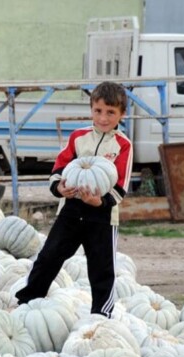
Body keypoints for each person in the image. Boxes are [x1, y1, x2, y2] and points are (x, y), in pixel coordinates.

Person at [14, 81, 133, 317]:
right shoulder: (78, 137)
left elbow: (121, 184)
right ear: (91, 109)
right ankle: (27, 302)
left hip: (102, 217)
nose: (103, 118)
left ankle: (101, 314)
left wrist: (100, 202)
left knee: (102, 268)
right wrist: (59, 187)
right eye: (98, 111)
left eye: (111, 112)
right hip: (70, 211)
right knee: (48, 257)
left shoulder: (123, 145)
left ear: (122, 114)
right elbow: (60, 167)